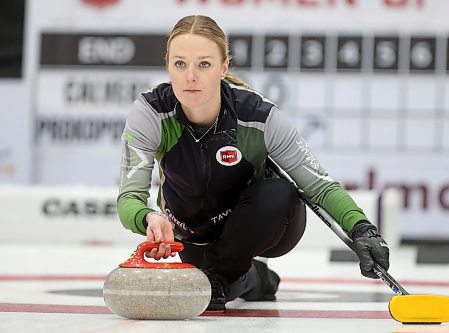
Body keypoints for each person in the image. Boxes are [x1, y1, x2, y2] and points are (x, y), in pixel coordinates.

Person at [117, 14, 390, 312]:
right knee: (226, 282)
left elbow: (319, 186)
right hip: (191, 231)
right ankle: (254, 278)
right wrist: (149, 218)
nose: (190, 76)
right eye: (180, 64)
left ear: (223, 67)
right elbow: (130, 197)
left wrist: (363, 229)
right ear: (168, 66)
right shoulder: (151, 111)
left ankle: (222, 272)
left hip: (258, 224)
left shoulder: (259, 115)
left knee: (278, 192)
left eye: (204, 64)